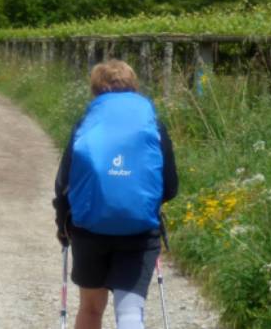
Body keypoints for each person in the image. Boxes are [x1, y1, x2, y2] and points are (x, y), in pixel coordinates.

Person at [52, 60, 178, 329]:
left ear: (95, 90)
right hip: (139, 232)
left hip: (89, 230)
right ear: (134, 87)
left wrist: (62, 225)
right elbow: (170, 186)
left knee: (90, 309)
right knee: (130, 313)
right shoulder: (153, 123)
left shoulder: (85, 123)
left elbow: (64, 182)